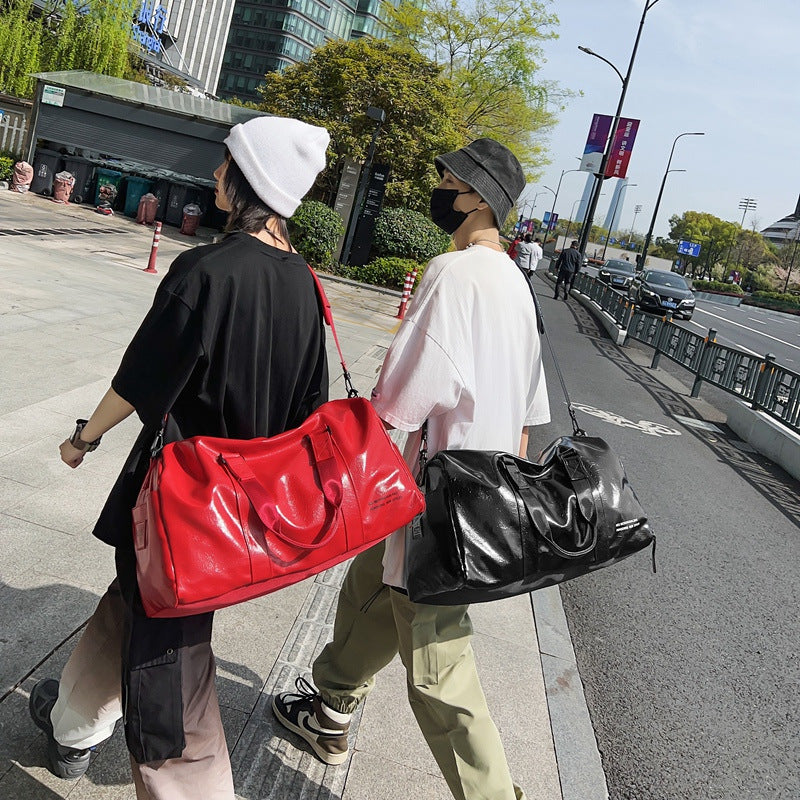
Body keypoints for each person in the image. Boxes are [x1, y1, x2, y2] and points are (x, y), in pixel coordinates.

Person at [27, 116, 331, 798]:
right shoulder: (306, 287)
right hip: (245, 510)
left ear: (250, 178)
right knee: (131, 603)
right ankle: (73, 724)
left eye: (227, 164)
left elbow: (141, 378)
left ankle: (191, 787)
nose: (217, 174)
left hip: (183, 502)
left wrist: (82, 440)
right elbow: (310, 410)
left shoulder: (209, 271)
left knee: (171, 656)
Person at [272, 138, 550, 800]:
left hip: (437, 496)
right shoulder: (515, 283)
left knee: (438, 669)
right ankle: (329, 710)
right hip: (481, 489)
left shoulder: (453, 274)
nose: (439, 186)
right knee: (369, 589)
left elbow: (401, 397)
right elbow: (528, 411)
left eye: (447, 177)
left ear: (479, 196)